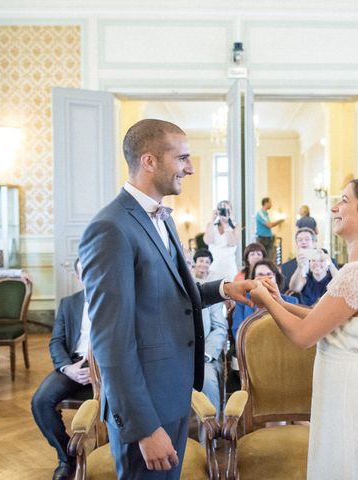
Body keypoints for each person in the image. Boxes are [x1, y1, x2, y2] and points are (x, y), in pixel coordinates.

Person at [78, 118, 255, 479]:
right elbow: (111, 341)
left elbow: (167, 295)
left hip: (171, 392)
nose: (190, 168)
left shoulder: (163, 219)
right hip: (145, 405)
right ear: (149, 161)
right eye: (183, 158)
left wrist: (223, 289)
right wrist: (144, 427)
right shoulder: (110, 227)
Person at [250, 174, 358, 479]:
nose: (334, 209)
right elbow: (323, 317)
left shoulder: (357, 273)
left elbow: (303, 336)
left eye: (344, 201)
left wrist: (264, 297)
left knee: (345, 464)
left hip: (347, 388)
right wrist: (280, 301)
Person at [31, 258, 94, 480]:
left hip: (107, 366)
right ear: (78, 277)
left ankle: (114, 454)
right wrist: (68, 368)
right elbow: (56, 341)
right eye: (84, 272)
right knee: (40, 402)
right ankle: (67, 456)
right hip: (73, 364)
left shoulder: (118, 300)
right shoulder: (69, 303)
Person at [191, 249, 228, 415]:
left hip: (203, 356)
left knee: (206, 381)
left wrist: (205, 353)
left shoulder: (207, 293)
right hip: (173, 358)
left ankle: (208, 439)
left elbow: (220, 327)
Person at [231, 259, 298, 341]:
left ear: (276, 278)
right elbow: (237, 333)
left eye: (269, 274)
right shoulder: (243, 301)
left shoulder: (292, 301)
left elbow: (296, 332)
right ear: (253, 280)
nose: (265, 279)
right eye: (260, 275)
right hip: (252, 347)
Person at [203, 200, 238, 281]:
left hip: (229, 266)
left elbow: (232, 242)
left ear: (231, 212)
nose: (224, 212)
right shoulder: (211, 225)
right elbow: (207, 241)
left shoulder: (235, 226)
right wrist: (212, 220)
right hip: (213, 265)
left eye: (227, 210)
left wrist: (226, 224)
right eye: (222, 209)